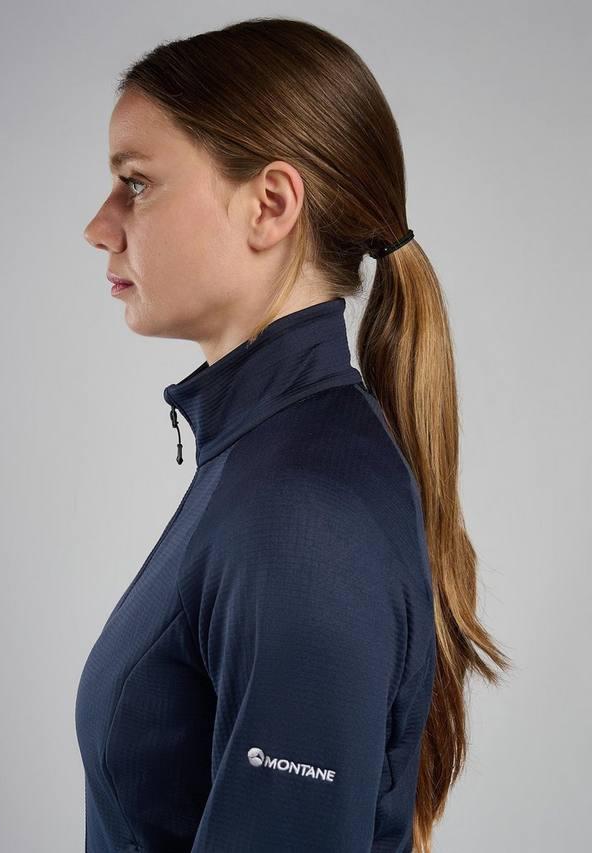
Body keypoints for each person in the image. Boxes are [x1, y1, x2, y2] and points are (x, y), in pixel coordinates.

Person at [76, 17, 510, 853]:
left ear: (270, 205)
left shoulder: (302, 515)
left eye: (136, 182)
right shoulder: (266, 461)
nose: (100, 224)